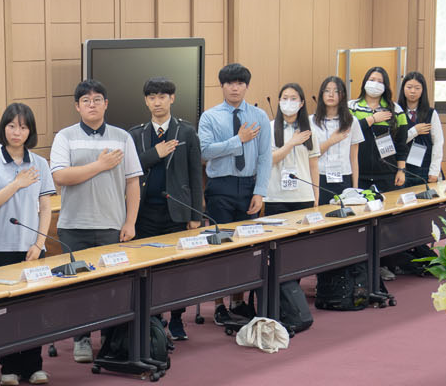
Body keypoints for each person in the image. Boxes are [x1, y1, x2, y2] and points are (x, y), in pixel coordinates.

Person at [51, 79, 142, 362]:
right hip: (73, 225)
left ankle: (110, 339)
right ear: (77, 106)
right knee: (78, 287)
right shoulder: (64, 136)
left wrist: (130, 222)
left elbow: (133, 182)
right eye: (86, 100)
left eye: (97, 99)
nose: (92, 105)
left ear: (106, 104)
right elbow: (60, 176)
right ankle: (81, 339)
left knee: (111, 286)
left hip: (111, 225)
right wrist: (100, 165)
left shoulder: (122, 137)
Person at [129, 76, 203, 340]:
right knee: (148, 269)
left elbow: (195, 175)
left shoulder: (186, 132)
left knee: (177, 270)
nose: (157, 102)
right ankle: (154, 318)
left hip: (177, 212)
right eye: (152, 97)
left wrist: (195, 215)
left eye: (162, 97)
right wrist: (155, 154)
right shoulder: (136, 134)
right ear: (146, 101)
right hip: (145, 214)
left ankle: (177, 319)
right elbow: (130, 168)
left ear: (172, 98)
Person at [0, 102, 56, 385]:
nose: (17, 132)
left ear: (31, 131)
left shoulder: (40, 163)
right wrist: (16, 183)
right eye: (12, 126)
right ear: (3, 128)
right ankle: (8, 367)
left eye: (23, 127)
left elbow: (46, 207)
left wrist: (39, 244)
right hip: (0, 247)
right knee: (4, 311)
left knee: (32, 310)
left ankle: (33, 365)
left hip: (31, 248)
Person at [199, 63, 271, 322]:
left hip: (249, 186)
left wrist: (260, 191)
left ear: (247, 86)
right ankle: (219, 304)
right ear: (222, 86)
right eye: (230, 83)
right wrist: (237, 140)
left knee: (244, 247)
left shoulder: (259, 116)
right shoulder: (210, 117)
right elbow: (204, 152)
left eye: (240, 83)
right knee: (220, 246)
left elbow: (265, 157)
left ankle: (238, 301)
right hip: (220, 186)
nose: (235, 88)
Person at [261, 82, 319, 215]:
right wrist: (291, 143)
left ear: (301, 103)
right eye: (285, 98)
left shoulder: (309, 130)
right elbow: (268, 160)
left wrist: (316, 195)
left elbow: (314, 166)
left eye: (293, 99)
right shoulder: (269, 128)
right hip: (276, 197)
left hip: (304, 196)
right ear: (279, 101)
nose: (288, 102)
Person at [350, 66, 407, 196]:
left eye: (380, 81)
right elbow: (347, 132)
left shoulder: (396, 110)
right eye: (372, 80)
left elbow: (401, 144)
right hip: (358, 174)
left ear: (385, 86)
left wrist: (401, 170)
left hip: (388, 174)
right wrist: (372, 119)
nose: (375, 84)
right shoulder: (352, 107)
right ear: (365, 82)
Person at [397, 72, 445, 191]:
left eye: (417, 88)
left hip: (425, 168)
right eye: (409, 87)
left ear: (423, 90)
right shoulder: (396, 112)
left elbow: (438, 142)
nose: (413, 91)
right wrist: (414, 131)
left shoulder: (431, 113)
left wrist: (434, 170)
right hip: (401, 169)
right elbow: (395, 142)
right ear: (403, 89)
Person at [310, 75, 355, 200]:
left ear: (343, 95)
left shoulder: (352, 121)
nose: (331, 95)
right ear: (321, 94)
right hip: (319, 176)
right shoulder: (311, 121)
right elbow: (310, 156)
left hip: (344, 176)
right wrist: (331, 141)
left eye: (336, 91)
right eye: (327, 91)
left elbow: (354, 158)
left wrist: (355, 187)